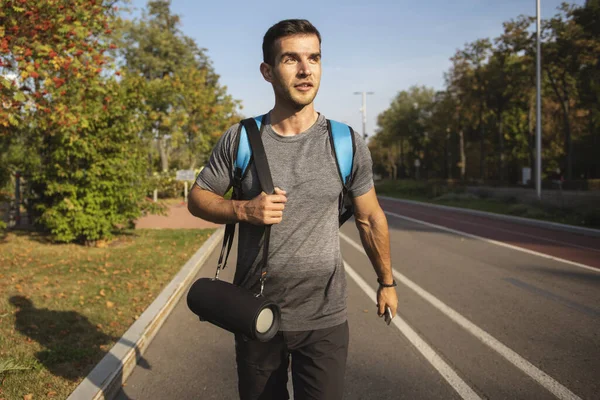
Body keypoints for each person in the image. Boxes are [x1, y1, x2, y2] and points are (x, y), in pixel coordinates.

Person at [188, 19, 397, 400]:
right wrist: (243, 210)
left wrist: (386, 282)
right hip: (256, 313)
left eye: (313, 58)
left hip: (325, 318)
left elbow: (370, 218)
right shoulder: (241, 139)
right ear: (267, 71)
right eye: (291, 59)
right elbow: (198, 197)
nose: (305, 70)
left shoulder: (346, 142)